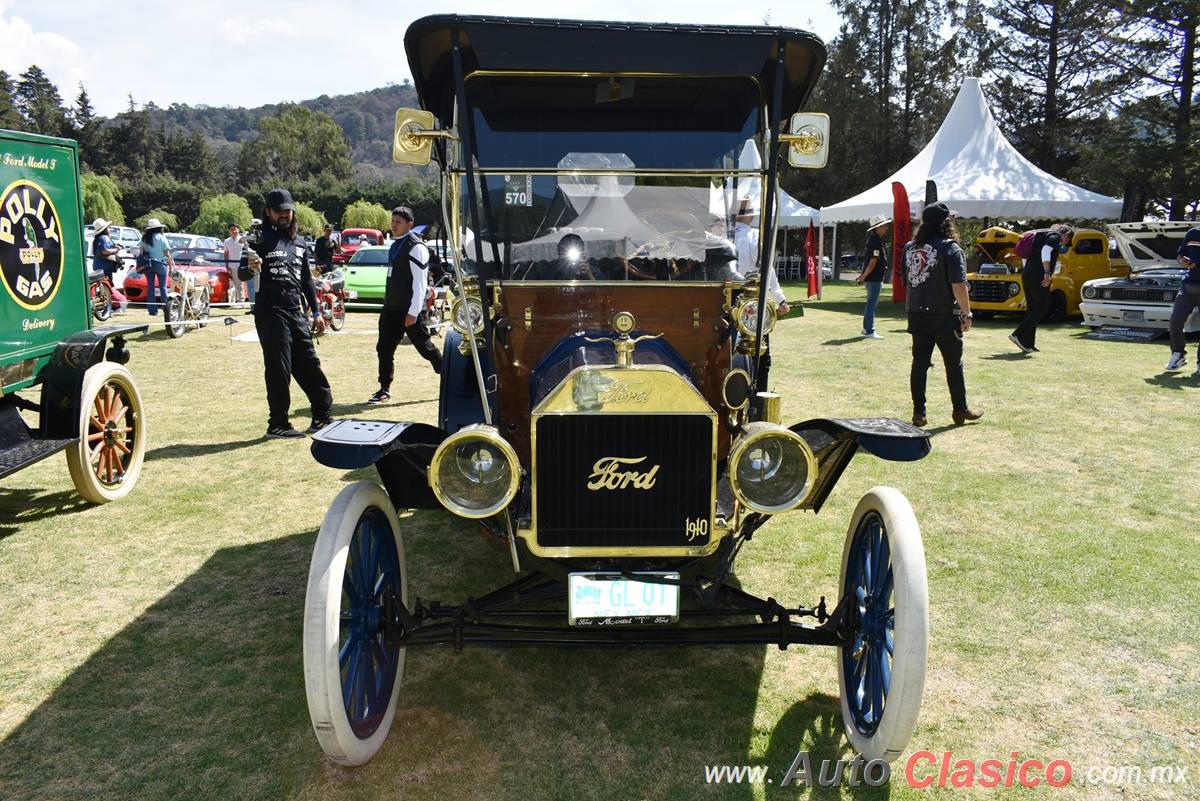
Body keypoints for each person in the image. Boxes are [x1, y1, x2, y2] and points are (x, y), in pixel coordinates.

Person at [239, 189, 333, 439]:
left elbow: (307, 280)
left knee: (309, 362)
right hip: (270, 310)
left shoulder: (299, 242)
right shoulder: (258, 240)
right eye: (279, 210)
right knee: (279, 366)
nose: (285, 214)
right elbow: (241, 274)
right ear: (268, 212)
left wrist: (316, 311)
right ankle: (278, 424)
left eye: (288, 210)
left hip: (295, 310)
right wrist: (250, 267)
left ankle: (322, 417)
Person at [904, 202, 983, 427]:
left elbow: (907, 281)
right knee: (953, 363)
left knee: (919, 363)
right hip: (944, 314)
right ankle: (960, 410)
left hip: (917, 312)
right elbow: (958, 285)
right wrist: (967, 314)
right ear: (947, 222)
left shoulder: (909, 248)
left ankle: (919, 413)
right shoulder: (951, 248)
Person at [368, 207, 442, 404]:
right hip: (391, 308)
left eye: (398, 221)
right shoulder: (394, 245)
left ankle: (450, 377)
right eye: (392, 220)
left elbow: (420, 284)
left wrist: (413, 312)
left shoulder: (416, 247)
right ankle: (384, 389)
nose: (393, 224)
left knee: (426, 349)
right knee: (384, 349)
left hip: (409, 310)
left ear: (409, 225)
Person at [1010, 225, 1074, 353]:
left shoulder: (1041, 236)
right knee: (1043, 307)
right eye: (1068, 240)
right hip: (1039, 274)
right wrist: (1047, 272)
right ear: (1067, 234)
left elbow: (1025, 255)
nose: (1066, 243)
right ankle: (1018, 334)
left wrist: (1028, 271)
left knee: (1033, 308)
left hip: (1027, 273)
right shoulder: (1055, 237)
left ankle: (1028, 343)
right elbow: (1045, 250)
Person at [1166, 225, 1200, 372]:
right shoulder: (1193, 233)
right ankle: (1178, 354)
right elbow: (1180, 256)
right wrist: (1183, 262)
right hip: (1188, 286)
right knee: (1176, 319)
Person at [855, 214, 890, 338]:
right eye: (884, 225)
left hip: (873, 277)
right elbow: (873, 262)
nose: (887, 227)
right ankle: (870, 330)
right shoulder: (875, 242)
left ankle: (866, 328)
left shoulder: (874, 240)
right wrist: (864, 276)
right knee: (871, 305)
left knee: (870, 304)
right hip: (874, 278)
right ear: (879, 227)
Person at [140, 219, 174, 317]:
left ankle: (152, 311)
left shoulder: (145, 238)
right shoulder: (162, 238)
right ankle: (166, 309)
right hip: (161, 264)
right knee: (163, 287)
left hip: (148, 264)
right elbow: (167, 254)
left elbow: (141, 252)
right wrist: (171, 267)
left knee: (150, 287)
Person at [90, 218, 121, 282]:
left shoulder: (98, 238)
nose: (110, 228)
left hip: (98, 266)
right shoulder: (104, 237)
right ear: (105, 229)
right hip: (105, 267)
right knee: (108, 285)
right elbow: (105, 251)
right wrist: (116, 249)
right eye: (108, 227)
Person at [223, 222, 245, 307]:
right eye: (232, 230)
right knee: (238, 284)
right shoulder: (227, 241)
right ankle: (241, 302)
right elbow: (226, 253)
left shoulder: (243, 239)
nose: (234, 231)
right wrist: (227, 265)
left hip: (242, 264)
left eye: (235, 229)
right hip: (233, 265)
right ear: (229, 231)